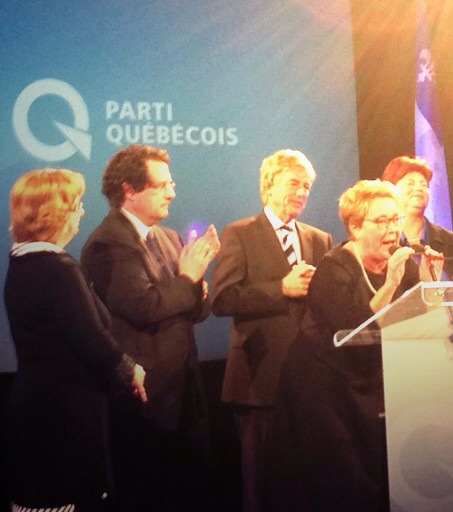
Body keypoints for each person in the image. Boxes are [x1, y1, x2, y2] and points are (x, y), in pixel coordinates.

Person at [264, 178, 443, 512]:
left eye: (396, 218)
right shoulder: (333, 269)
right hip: (321, 390)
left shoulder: (406, 267)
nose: (393, 229)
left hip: (369, 385)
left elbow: (419, 322)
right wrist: (390, 283)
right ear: (356, 228)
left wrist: (431, 285)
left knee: (373, 478)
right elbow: (353, 329)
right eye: (382, 221)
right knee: (341, 479)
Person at [80, 144, 220, 512]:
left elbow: (198, 310)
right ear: (129, 190)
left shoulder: (169, 237)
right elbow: (146, 307)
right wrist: (189, 280)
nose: (172, 192)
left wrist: (194, 288)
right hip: (146, 400)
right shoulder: (108, 243)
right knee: (148, 494)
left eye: (170, 184)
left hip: (186, 391)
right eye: (161, 185)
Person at [2, 168, 147, 512]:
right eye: (76, 205)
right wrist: (132, 371)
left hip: (34, 409)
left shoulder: (21, 262)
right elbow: (92, 340)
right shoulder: (57, 268)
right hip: (63, 420)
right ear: (56, 214)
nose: (82, 212)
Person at [210, 148, 333, 512]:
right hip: (257, 380)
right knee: (260, 483)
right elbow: (223, 299)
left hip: (308, 380)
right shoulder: (240, 233)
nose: (301, 192)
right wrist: (280, 288)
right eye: (294, 183)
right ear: (269, 185)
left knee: (303, 479)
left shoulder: (319, 239)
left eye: (307, 186)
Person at [381, 154, 453, 280]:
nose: (419, 188)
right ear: (391, 189)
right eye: (410, 184)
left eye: (423, 184)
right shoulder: (380, 243)